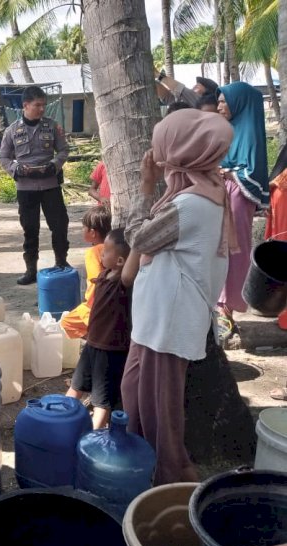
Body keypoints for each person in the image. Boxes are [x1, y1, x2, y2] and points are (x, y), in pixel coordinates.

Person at [121, 109, 236, 485]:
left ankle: (171, 483)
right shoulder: (201, 192)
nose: (156, 152)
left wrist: (144, 188)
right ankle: (144, 466)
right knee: (136, 393)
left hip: (167, 324)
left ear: (182, 151)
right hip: (157, 320)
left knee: (159, 415)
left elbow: (140, 239)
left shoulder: (191, 204)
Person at [0, 85, 70, 284]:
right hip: (26, 188)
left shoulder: (52, 126)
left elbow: (64, 150)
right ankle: (31, 271)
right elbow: (3, 157)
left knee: (59, 226)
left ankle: (61, 263)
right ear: (25, 105)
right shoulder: (12, 131)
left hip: (50, 186)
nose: (41, 109)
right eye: (37, 105)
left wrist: (54, 165)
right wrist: (15, 168)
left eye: (43, 105)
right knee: (30, 230)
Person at [67, 228, 132, 430]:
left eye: (106, 252)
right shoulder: (104, 274)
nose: (101, 254)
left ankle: (92, 437)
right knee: (76, 386)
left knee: (101, 401)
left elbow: (129, 270)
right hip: (92, 343)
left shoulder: (124, 282)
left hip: (111, 349)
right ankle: (61, 419)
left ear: (121, 261)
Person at [216, 82, 269, 325]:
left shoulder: (248, 132)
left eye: (223, 101)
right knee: (218, 246)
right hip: (222, 192)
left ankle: (228, 306)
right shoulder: (229, 129)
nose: (219, 106)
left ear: (238, 103)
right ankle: (220, 303)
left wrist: (228, 173)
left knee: (234, 247)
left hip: (237, 194)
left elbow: (253, 172)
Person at [60, 205, 112, 339]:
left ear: (93, 232)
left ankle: (96, 339)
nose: (82, 230)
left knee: (66, 323)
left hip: (95, 305)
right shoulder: (113, 247)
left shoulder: (93, 252)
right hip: (111, 301)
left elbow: (96, 281)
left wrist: (92, 305)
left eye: (84, 227)